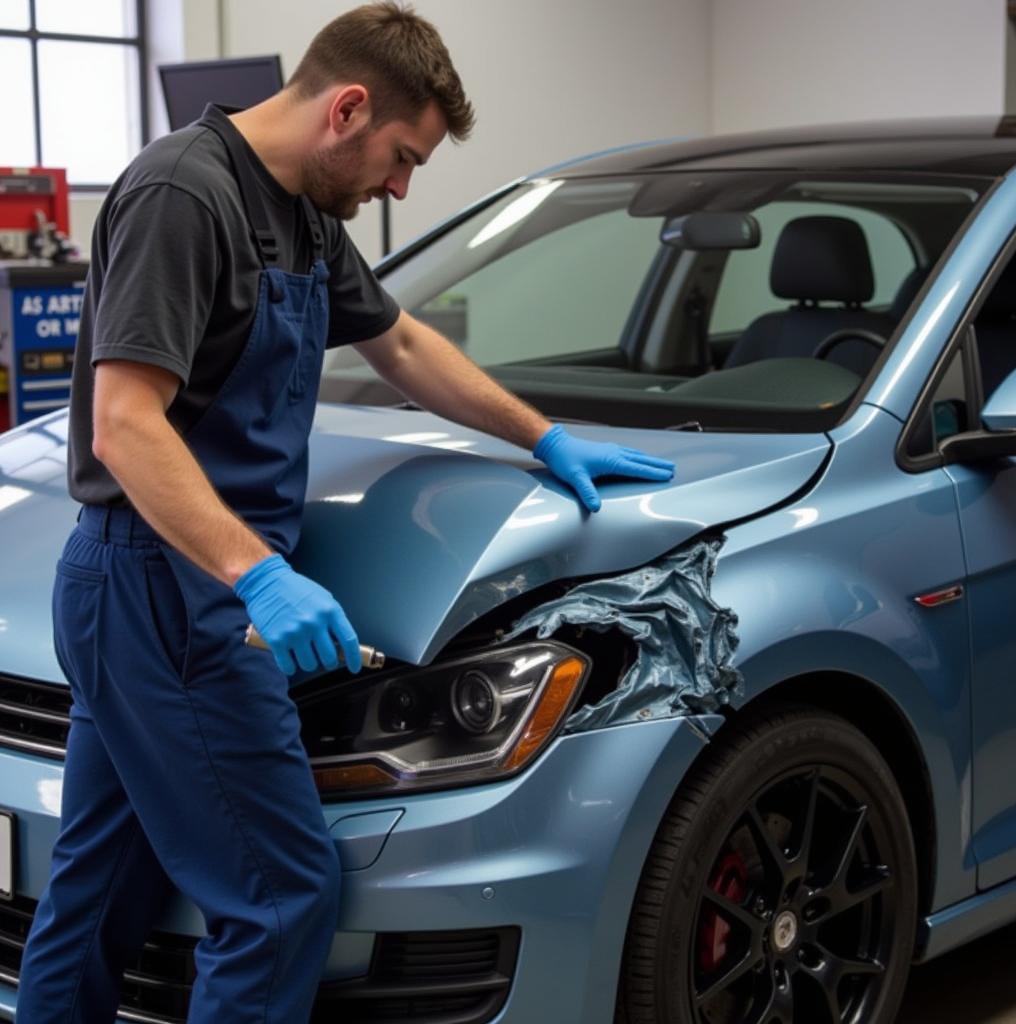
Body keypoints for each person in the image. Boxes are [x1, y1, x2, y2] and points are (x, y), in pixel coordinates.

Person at [15, 4, 675, 1022]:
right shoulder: (182, 196)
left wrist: (540, 435)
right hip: (169, 591)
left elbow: (401, 344)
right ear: (348, 108)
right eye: (401, 157)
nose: (399, 188)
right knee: (281, 897)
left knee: (103, 889)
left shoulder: (304, 215)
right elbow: (123, 424)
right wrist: (259, 575)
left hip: (162, 595)